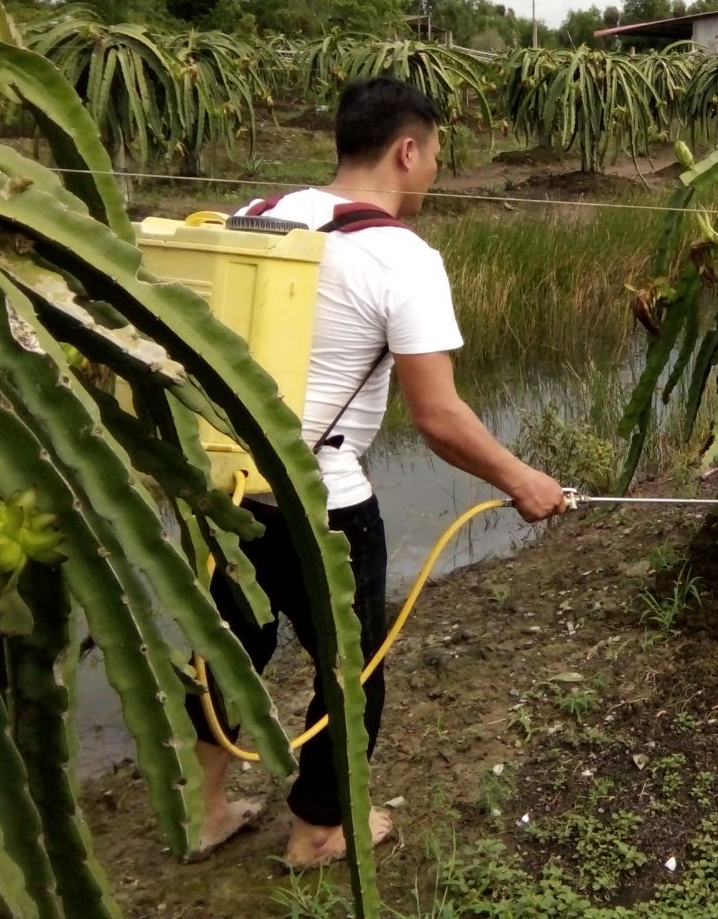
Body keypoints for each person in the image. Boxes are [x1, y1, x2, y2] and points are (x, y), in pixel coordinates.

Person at [188, 77, 567, 869]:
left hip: (218, 486)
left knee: (229, 644)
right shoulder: (403, 257)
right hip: (321, 502)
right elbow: (439, 418)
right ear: (408, 148)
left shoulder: (260, 215)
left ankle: (207, 810)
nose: (432, 170)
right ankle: (319, 830)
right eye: (434, 154)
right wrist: (523, 480)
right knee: (349, 668)